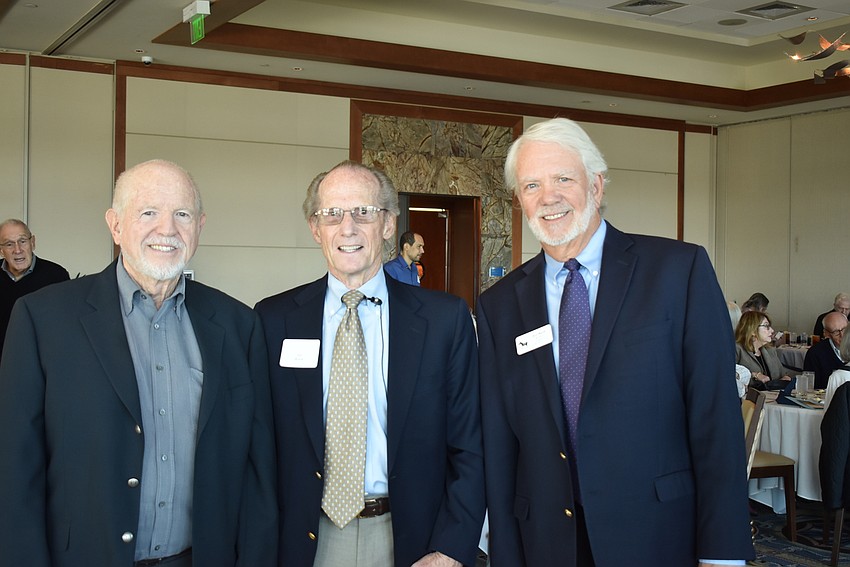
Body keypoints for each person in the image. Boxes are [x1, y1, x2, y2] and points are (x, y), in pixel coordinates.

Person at [477, 118, 753, 566]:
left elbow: (715, 423)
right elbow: (500, 448)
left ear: (597, 186)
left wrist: (723, 554)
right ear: (520, 200)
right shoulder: (499, 306)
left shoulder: (677, 273)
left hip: (658, 535)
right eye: (531, 185)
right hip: (546, 542)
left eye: (563, 179)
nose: (548, 197)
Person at [0, 159, 277, 567]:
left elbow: (257, 474)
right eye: (148, 212)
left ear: (199, 226)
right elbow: (14, 472)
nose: (167, 229)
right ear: (115, 224)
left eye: (181, 214)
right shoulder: (42, 320)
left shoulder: (239, 325)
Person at [255, 161, 484, 567]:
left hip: (412, 541)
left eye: (364, 212)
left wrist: (451, 547)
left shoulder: (444, 320)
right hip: (305, 541)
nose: (348, 227)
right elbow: (258, 448)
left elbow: (471, 443)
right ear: (315, 228)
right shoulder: (273, 321)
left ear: (388, 223)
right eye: (333, 214)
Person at [0, 218, 69, 363]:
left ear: (33, 242)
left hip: (39, 362)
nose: (17, 250)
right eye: (9, 244)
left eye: (23, 241)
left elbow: (65, 326)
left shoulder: (56, 275)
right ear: (1, 250)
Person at [735, 311, 794, 391]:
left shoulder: (769, 350)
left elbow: (783, 373)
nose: (772, 330)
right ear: (752, 330)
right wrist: (754, 375)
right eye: (766, 326)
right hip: (748, 400)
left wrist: (785, 378)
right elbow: (729, 374)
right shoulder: (737, 350)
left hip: (772, 398)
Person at [804, 311, 848, 389]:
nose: (842, 335)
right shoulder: (815, 353)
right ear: (826, 334)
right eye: (836, 332)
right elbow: (811, 387)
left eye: (845, 329)